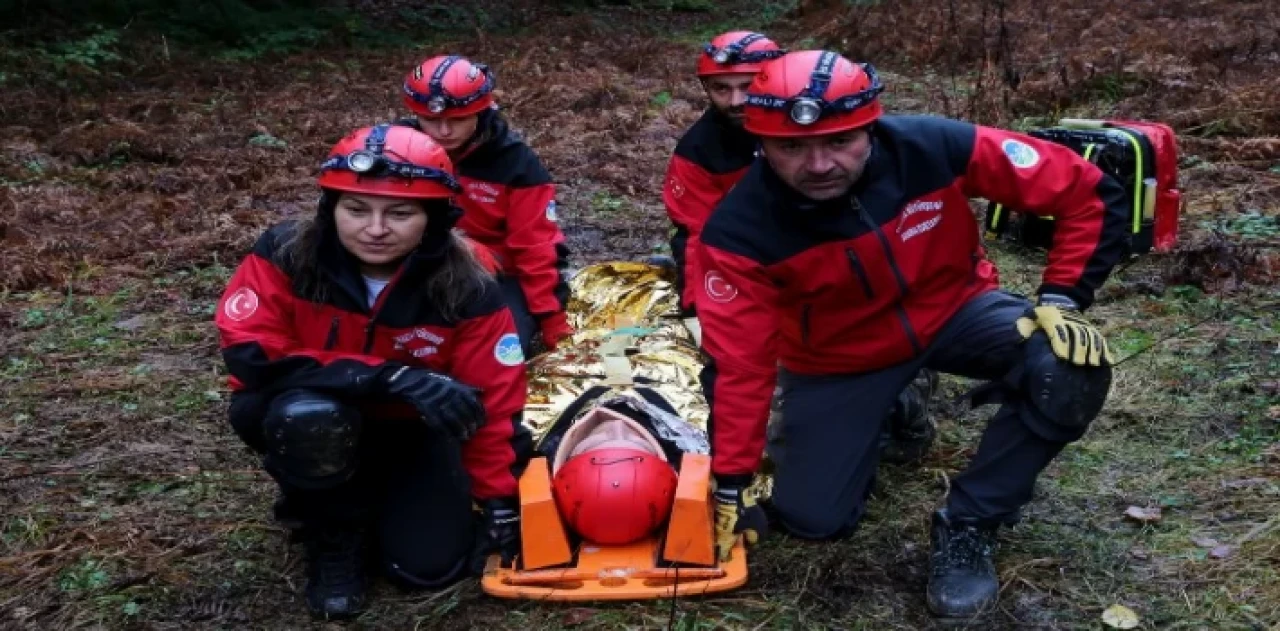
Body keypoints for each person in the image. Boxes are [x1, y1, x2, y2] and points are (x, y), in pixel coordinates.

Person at [696, 50, 1126, 619]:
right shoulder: (738, 232)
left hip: (956, 309)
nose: (819, 164)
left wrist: (1062, 299)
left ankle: (971, 523)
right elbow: (740, 364)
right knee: (813, 521)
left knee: (1067, 367)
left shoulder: (932, 147)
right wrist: (732, 477)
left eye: (839, 142)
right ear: (761, 143)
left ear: (868, 126)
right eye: (791, 147)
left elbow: (1087, 189)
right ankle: (897, 406)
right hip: (837, 359)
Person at [215, 124, 532, 620]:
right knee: (310, 419)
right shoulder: (285, 255)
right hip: (308, 411)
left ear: (434, 218)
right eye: (356, 209)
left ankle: (377, 495)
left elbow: (494, 399)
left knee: (427, 568)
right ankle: (331, 534)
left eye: (400, 212)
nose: (375, 228)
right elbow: (252, 354)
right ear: (331, 208)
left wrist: (498, 501)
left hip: (411, 429)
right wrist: (385, 375)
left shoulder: (468, 285)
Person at [663, 32, 939, 465]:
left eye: (747, 85)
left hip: (857, 259)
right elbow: (695, 235)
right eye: (721, 88)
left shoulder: (842, 129)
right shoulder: (700, 152)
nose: (735, 100)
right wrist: (699, 310)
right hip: (773, 275)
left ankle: (906, 387)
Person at [399, 54, 572, 358]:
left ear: (482, 111)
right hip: (413, 266)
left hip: (495, 276)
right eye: (431, 121)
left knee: (500, 353)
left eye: (457, 121)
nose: (443, 132)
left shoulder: (515, 164)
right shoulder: (397, 150)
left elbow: (537, 247)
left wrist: (551, 319)